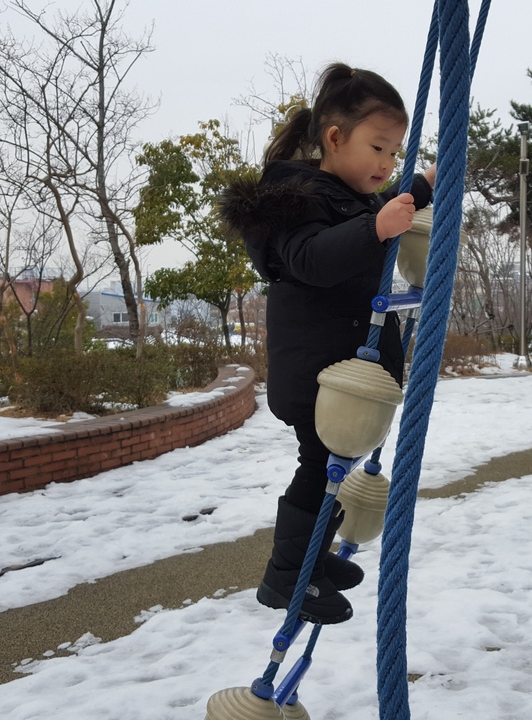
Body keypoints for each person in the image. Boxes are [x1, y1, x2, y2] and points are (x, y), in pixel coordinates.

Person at [218, 63, 435, 624]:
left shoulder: (345, 195)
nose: (388, 165)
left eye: (396, 153)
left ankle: (308, 561)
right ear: (335, 139)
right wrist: (377, 228)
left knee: (335, 465)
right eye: (379, 148)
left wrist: (424, 185)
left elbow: (372, 214)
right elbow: (314, 258)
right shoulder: (297, 199)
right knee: (320, 468)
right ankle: (287, 579)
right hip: (319, 373)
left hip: (344, 372)